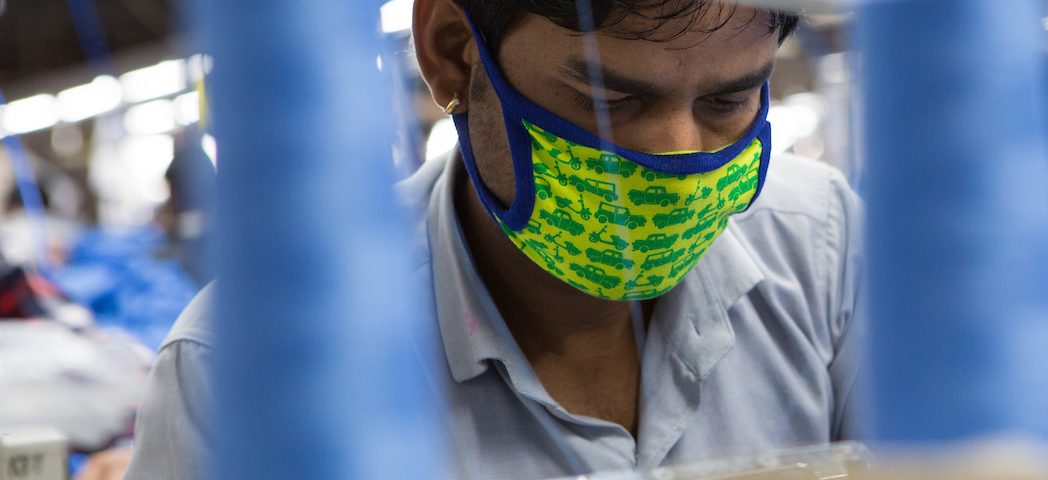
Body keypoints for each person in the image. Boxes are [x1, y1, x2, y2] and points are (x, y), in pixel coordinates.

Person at [124, 0, 864, 478]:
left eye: (728, 100)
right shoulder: (240, 369)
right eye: (611, 102)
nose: (675, 157)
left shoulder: (822, 248)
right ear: (452, 52)